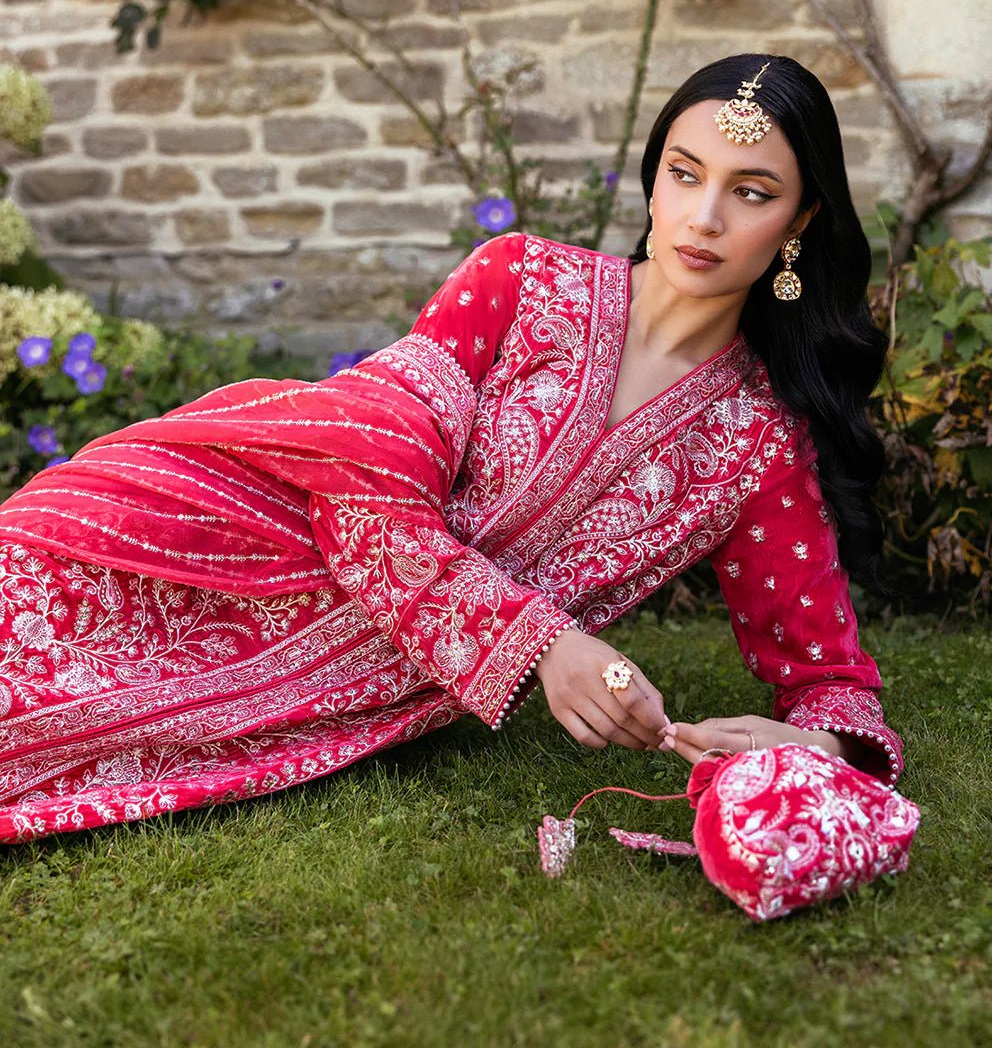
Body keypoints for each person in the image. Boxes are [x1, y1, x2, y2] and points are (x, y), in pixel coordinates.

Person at [0, 52, 903, 844]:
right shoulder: (517, 281)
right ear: (653, 179)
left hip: (322, 682)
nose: (703, 217)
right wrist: (542, 643)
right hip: (220, 524)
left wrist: (815, 741)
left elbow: (828, 672)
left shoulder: (755, 447)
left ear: (799, 222)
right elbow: (360, 492)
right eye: (684, 173)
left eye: (750, 192)